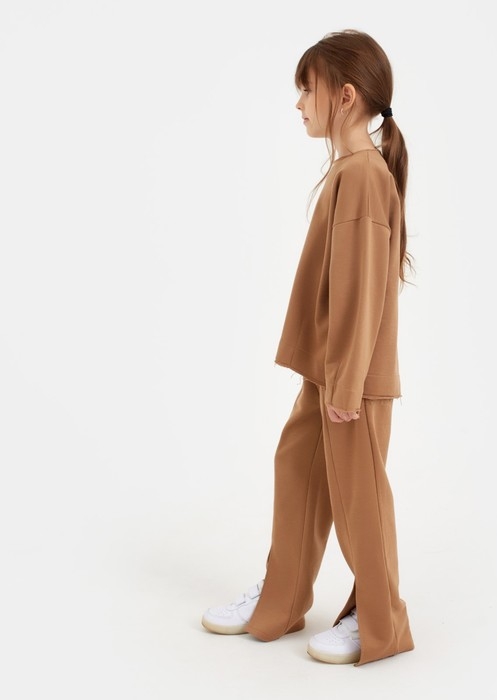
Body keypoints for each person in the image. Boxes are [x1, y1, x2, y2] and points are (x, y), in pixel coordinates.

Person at [201, 28, 415, 666]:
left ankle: (380, 620)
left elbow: (361, 291)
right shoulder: (351, 172)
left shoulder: (365, 176)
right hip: (330, 372)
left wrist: (346, 384)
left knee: (359, 499)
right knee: (297, 468)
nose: (298, 103)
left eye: (307, 89)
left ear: (345, 97)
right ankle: (283, 596)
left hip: (351, 380)